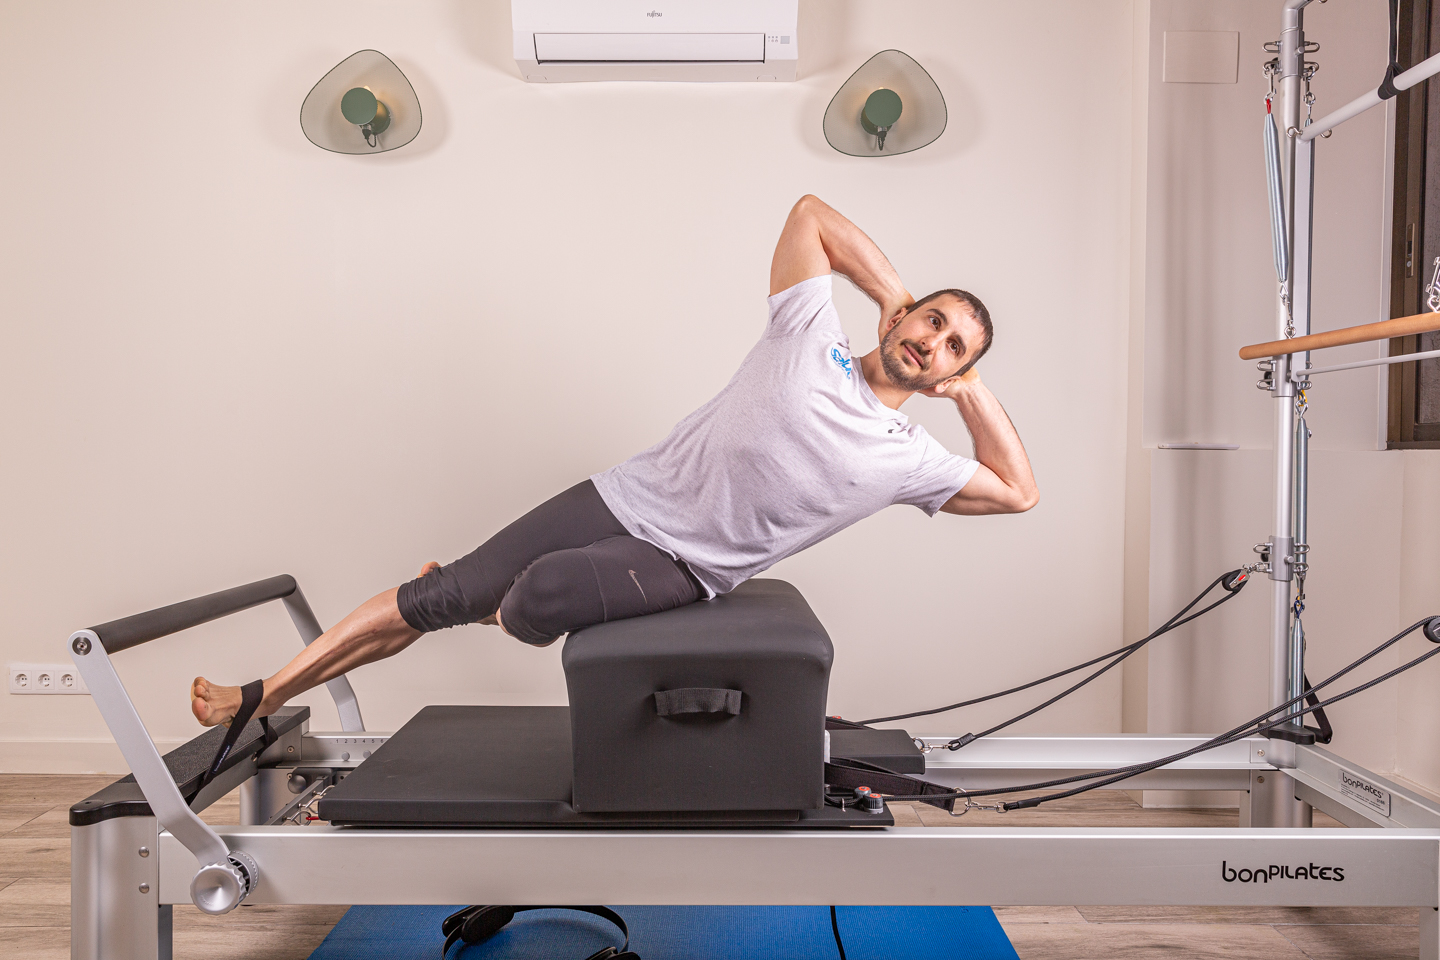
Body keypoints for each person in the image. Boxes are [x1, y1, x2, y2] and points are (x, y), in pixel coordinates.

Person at [190, 195, 1039, 727]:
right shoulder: (810, 332)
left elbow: (1017, 492)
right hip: (622, 496)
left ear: (956, 368)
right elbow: (812, 215)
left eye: (953, 345)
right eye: (931, 321)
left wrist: (971, 396)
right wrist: (894, 292)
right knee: (434, 597)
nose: (931, 342)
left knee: (533, 598)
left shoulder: (907, 457)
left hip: (681, 563)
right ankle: (261, 693)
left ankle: (498, 607)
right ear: (903, 320)